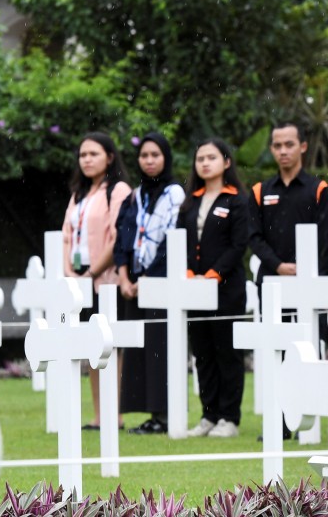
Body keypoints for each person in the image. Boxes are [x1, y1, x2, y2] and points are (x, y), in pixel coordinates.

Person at [114, 131, 185, 435]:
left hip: (161, 282)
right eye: (144, 155)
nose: (149, 160)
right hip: (133, 283)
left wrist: (148, 278)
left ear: (166, 158)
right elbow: (123, 235)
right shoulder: (135, 195)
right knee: (138, 350)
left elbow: (172, 238)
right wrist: (124, 275)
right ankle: (151, 414)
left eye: (155, 155)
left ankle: (165, 415)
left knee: (160, 348)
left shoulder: (175, 194)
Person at [180, 138, 249, 438]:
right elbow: (181, 241)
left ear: (226, 162)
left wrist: (212, 275)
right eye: (200, 158)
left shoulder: (236, 200)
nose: (205, 163)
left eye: (212, 157)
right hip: (193, 289)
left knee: (227, 352)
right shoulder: (191, 201)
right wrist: (188, 272)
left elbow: (238, 245)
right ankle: (208, 415)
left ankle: (229, 417)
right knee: (203, 353)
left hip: (226, 289)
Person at [62, 132, 131, 430]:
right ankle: (99, 415)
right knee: (90, 347)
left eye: (94, 154)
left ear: (110, 157)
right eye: (83, 155)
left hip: (106, 281)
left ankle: (114, 413)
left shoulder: (117, 190)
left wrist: (91, 272)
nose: (87, 160)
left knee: (110, 347)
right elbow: (66, 235)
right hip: (79, 284)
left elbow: (118, 237)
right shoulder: (78, 194)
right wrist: (70, 273)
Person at [249, 121, 328, 294]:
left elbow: (325, 236)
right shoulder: (260, 191)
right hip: (270, 281)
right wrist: (278, 265)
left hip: (310, 280)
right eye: (277, 146)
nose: (283, 151)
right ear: (271, 149)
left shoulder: (319, 189)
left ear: (303, 147)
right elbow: (253, 237)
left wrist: (299, 266)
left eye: (289, 145)